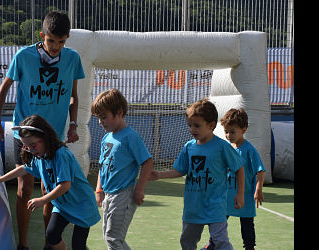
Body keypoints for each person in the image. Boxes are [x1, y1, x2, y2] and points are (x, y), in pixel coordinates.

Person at [0, 11, 84, 250]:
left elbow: (74, 98)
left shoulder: (72, 59)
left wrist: (73, 124)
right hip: (26, 133)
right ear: (43, 36)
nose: (55, 46)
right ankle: (22, 244)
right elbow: (3, 89)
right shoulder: (24, 56)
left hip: (53, 137)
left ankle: (49, 244)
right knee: (24, 187)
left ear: (67, 39)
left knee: (49, 190)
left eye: (61, 42)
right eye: (51, 40)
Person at [0, 115, 100, 250]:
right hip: (63, 206)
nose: (31, 150)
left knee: (78, 246)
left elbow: (65, 185)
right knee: (51, 235)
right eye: (26, 147)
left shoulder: (61, 155)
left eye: (33, 145)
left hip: (81, 205)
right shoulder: (40, 156)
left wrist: (43, 200)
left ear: (45, 137)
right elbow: (23, 169)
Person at [149, 98, 245, 250]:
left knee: (220, 242)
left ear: (211, 125)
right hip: (193, 207)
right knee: (187, 242)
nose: (192, 129)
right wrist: (159, 175)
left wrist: (240, 194)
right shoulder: (189, 147)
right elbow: (180, 170)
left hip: (215, 206)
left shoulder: (222, 147)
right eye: (190, 125)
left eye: (197, 125)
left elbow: (239, 168)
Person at [91, 88, 154, 250]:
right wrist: (99, 190)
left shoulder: (130, 137)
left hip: (123, 195)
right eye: (98, 118)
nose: (100, 122)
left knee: (113, 238)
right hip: (109, 196)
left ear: (119, 112)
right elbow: (102, 165)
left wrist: (139, 190)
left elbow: (147, 162)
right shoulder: (107, 138)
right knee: (109, 236)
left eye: (104, 117)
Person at [203, 108, 266, 250]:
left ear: (243, 130)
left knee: (247, 224)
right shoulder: (227, 147)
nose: (228, 135)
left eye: (232, 132)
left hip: (244, 196)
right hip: (226, 195)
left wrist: (258, 189)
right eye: (226, 131)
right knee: (219, 220)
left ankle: (249, 247)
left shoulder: (249, 150)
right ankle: (212, 244)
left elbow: (260, 170)